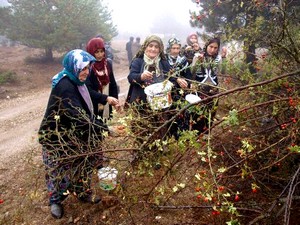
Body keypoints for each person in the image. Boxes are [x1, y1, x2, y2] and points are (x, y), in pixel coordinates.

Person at [38, 49, 106, 219]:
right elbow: (78, 116)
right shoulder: (65, 85)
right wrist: (105, 128)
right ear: (74, 67)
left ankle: (81, 191)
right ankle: (55, 200)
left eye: (88, 68)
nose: (86, 72)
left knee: (81, 162)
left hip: (73, 133)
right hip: (56, 137)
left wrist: (105, 99)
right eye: (83, 68)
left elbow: (87, 95)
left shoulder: (76, 81)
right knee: (57, 169)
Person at [186, 37, 225, 134]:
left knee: (210, 114)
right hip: (200, 90)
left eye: (215, 48)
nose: (213, 50)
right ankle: (196, 135)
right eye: (211, 47)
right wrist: (198, 62)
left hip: (213, 90)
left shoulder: (218, 58)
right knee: (198, 114)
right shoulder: (198, 56)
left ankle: (206, 135)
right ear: (206, 46)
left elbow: (221, 73)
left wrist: (224, 58)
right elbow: (192, 72)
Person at [126, 35, 172, 107]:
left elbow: (171, 77)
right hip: (140, 103)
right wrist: (141, 76)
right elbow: (130, 78)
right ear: (145, 47)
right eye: (150, 46)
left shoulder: (163, 62)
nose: (153, 49)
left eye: (156, 47)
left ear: (160, 49)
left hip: (160, 103)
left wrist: (176, 80)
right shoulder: (138, 61)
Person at [85, 37, 120, 122]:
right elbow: (88, 90)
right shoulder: (87, 67)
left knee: (107, 122)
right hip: (94, 102)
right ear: (91, 52)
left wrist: (115, 101)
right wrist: (105, 98)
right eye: (96, 52)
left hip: (107, 100)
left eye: (102, 51)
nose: (100, 55)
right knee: (96, 123)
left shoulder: (107, 63)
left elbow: (112, 84)